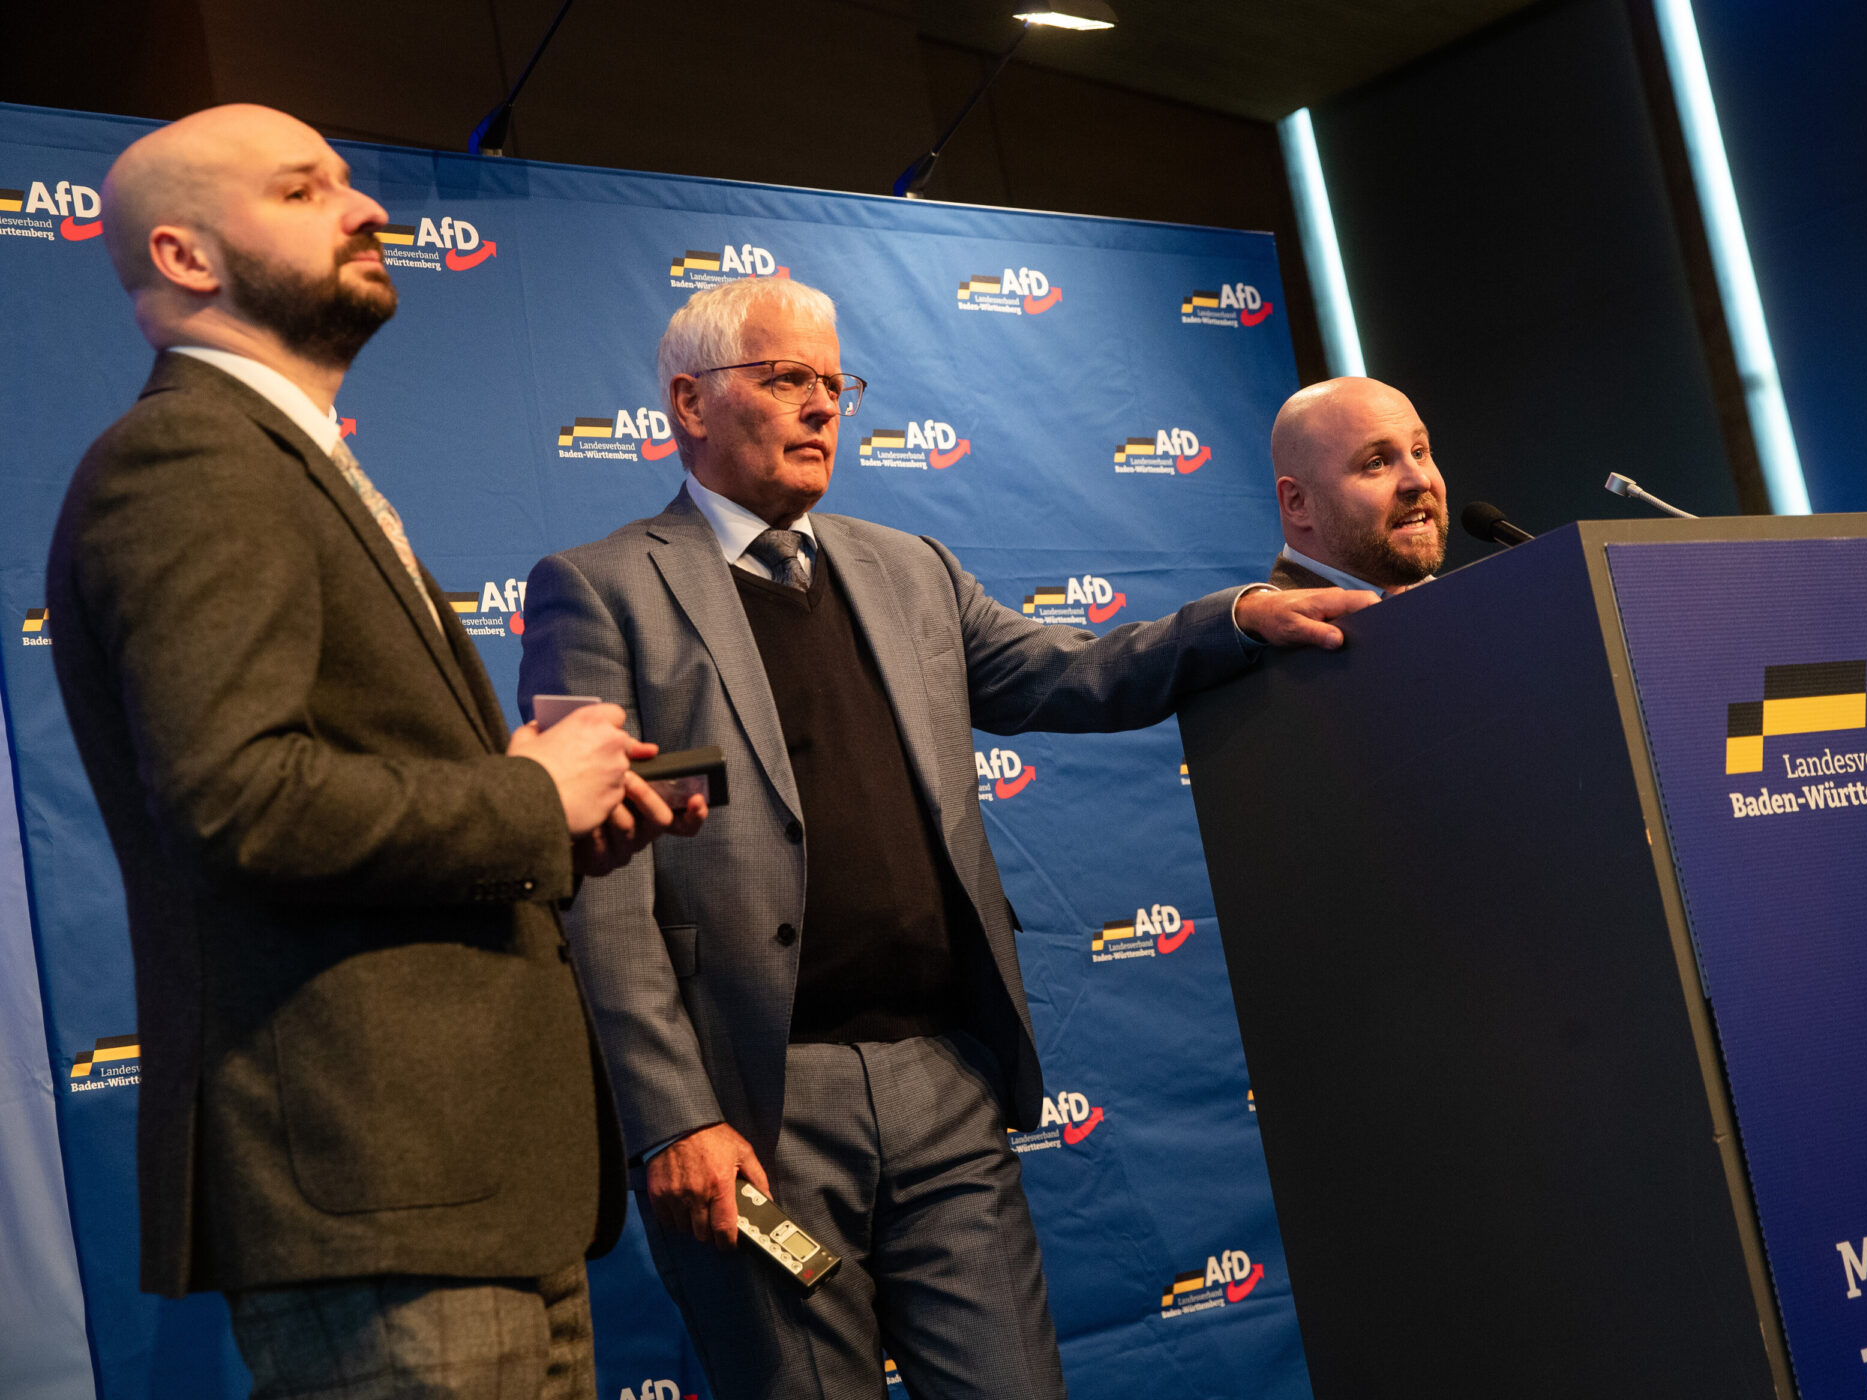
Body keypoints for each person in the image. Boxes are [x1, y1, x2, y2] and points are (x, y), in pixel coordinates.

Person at [517, 276, 1370, 1399]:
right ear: (689, 401)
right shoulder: (601, 589)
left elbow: (1073, 671)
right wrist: (676, 1115)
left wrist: (1231, 619)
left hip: (945, 1079)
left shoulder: (907, 566)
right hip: (761, 1106)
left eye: (836, 383)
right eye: (787, 380)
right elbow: (603, 886)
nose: (824, 407)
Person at [47, 103, 701, 1398]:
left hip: (461, 1189)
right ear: (185, 258)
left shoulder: (280, 458)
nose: (363, 209)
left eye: (352, 182)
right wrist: (523, 798)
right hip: (380, 1189)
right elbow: (238, 801)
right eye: (303, 191)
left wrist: (553, 809)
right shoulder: (188, 457)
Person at [1267, 376, 1450, 593]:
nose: (1420, 480)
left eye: (1418, 453)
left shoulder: (1468, 605)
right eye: (1376, 463)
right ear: (1297, 503)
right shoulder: (1266, 626)